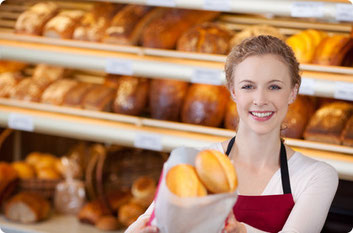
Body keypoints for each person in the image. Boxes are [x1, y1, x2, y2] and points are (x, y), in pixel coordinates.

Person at [125, 35, 339, 233]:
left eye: (274, 87)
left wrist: (243, 231)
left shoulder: (316, 176)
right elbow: (150, 223)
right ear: (233, 91)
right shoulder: (195, 164)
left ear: (293, 92)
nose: (260, 99)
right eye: (248, 86)